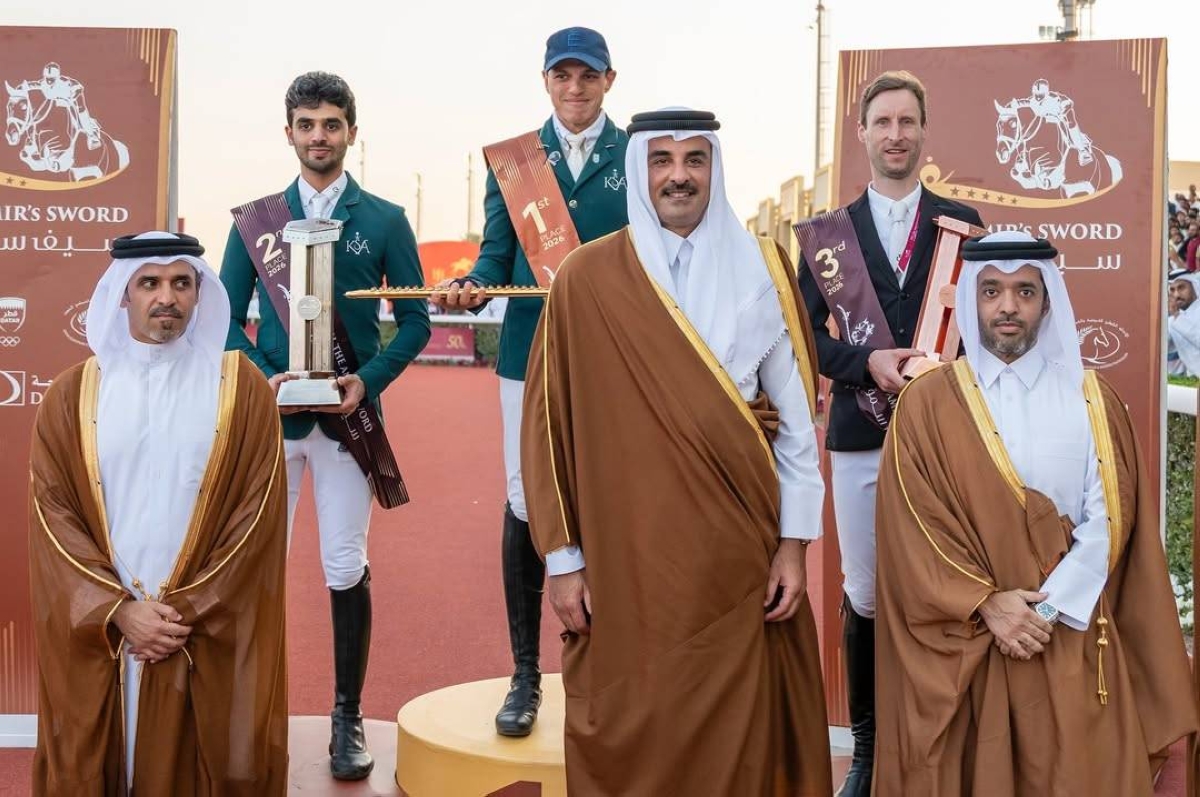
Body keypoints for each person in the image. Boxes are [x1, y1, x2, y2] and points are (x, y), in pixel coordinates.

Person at [522, 108, 832, 796]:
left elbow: (798, 426)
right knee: (634, 719)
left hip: (739, 559)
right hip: (625, 559)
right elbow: (547, 432)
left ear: (714, 167)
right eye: (662, 159)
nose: (679, 176)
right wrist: (564, 561)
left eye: (695, 159)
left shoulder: (765, 268)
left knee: (740, 736)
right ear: (640, 170)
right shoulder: (585, 278)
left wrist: (794, 546)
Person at [874, 231, 1198, 795]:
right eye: (992, 291)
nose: (1007, 306)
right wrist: (989, 605)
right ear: (972, 300)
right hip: (969, 639)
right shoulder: (927, 403)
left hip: (1066, 634)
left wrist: (1046, 614)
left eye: (1025, 291)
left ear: (1047, 300)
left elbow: (1111, 521)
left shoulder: (1091, 398)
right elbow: (912, 524)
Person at [220, 71, 429, 780]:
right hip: (270, 427)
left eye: (331, 124)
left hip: (346, 424)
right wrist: (261, 374)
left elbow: (418, 320)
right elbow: (223, 317)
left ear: (350, 132)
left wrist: (365, 380)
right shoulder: (254, 221)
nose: (318, 136)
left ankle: (347, 717)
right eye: (306, 124)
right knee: (256, 570)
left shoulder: (386, 219)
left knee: (344, 565)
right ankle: (252, 709)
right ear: (288, 133)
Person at [29, 232, 288, 795]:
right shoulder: (71, 396)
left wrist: (182, 612)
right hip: (109, 624)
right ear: (123, 294)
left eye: (180, 283)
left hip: (195, 628)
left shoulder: (242, 393)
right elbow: (54, 517)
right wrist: (118, 611)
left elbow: (257, 516)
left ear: (200, 294)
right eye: (149, 283)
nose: (165, 297)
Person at [431, 27, 628, 736]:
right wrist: (469, 287)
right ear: (545, 81)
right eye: (561, 77)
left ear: (610, 80)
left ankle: (602, 664)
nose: (574, 89)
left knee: (608, 495)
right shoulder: (513, 163)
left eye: (587, 76)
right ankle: (524, 673)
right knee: (524, 496)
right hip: (527, 355)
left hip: (614, 355)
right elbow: (495, 258)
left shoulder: (637, 153)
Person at [795, 69, 983, 797]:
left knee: (948, 587)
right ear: (863, 133)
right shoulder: (828, 236)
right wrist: (863, 361)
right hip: (861, 434)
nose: (896, 135)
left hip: (945, 438)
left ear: (923, 132)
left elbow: (991, 324)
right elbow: (803, 335)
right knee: (865, 592)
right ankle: (869, 753)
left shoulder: (960, 222)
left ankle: (938, 741)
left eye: (908, 122)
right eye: (884, 123)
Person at [1168, 268, 1200, 376]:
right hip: (1193, 382)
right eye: (1172, 290)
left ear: (1194, 286)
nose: (1176, 295)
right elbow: (1165, 346)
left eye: (1181, 288)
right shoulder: (1173, 319)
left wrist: (1176, 316)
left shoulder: (1176, 317)